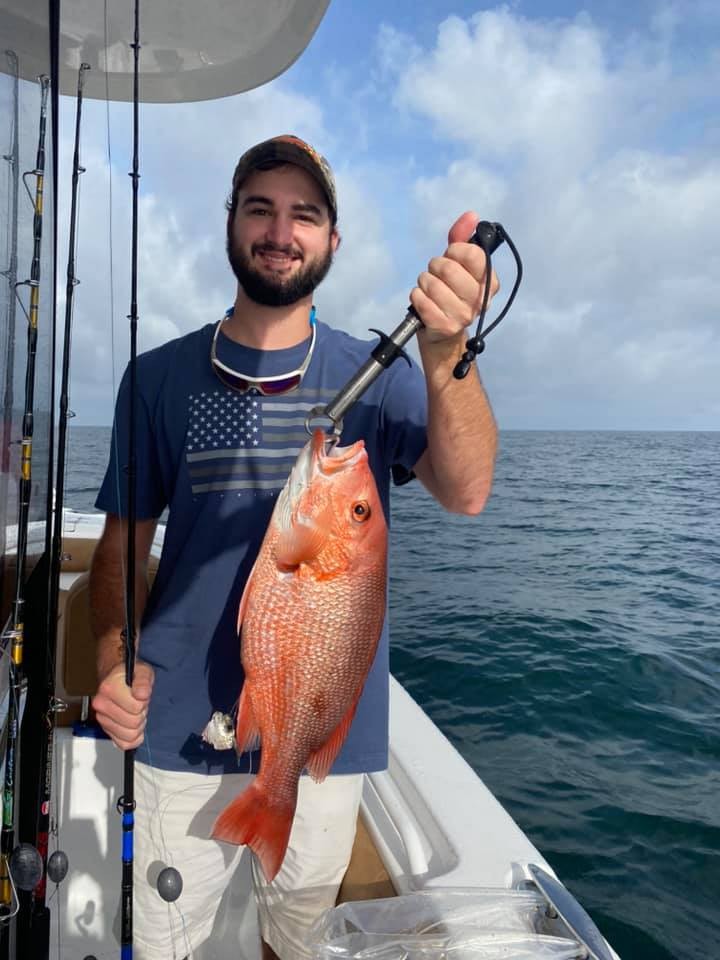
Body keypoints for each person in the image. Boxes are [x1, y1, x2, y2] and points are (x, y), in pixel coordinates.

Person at [90, 134, 499, 960]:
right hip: (171, 728)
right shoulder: (158, 377)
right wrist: (109, 653)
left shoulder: (380, 375)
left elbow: (468, 491)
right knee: (163, 938)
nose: (281, 230)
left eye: (304, 214)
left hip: (318, 741)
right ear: (232, 224)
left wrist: (446, 351)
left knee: (298, 939)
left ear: (332, 240)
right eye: (261, 209)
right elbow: (121, 549)